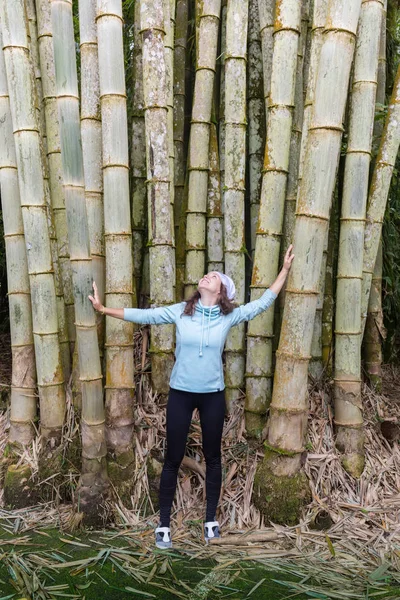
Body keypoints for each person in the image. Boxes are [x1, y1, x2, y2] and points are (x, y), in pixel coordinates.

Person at [88, 245, 295, 548]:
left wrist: (285, 270)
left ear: (223, 291)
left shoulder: (228, 316)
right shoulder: (180, 311)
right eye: (207, 274)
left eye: (214, 276)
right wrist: (105, 310)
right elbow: (146, 314)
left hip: (212, 394)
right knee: (173, 457)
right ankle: (163, 525)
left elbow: (262, 303)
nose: (207, 276)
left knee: (213, 457)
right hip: (181, 393)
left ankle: (210, 520)